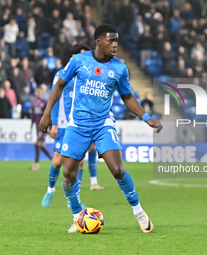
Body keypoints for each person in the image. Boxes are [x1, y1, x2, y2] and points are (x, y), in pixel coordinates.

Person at [38, 24, 162, 233]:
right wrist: (46, 113)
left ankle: (138, 211)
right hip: (77, 125)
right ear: (98, 41)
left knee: (118, 169)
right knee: (68, 173)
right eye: (111, 40)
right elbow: (59, 85)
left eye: (117, 41)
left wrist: (146, 117)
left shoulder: (119, 68)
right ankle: (78, 215)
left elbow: (127, 96)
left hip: (103, 123)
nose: (115, 45)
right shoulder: (78, 61)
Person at [41, 44, 103, 209]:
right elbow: (53, 100)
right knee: (57, 161)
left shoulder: (88, 76)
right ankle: (50, 190)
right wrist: (53, 123)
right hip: (61, 124)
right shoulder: (61, 75)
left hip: (80, 124)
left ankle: (75, 199)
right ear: (73, 57)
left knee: (79, 162)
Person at [30, 86, 53, 170]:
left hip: (43, 126)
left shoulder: (45, 102)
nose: (37, 93)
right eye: (36, 91)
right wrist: (31, 124)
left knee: (38, 143)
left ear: (42, 92)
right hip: (37, 126)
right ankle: (52, 159)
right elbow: (32, 114)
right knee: (39, 144)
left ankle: (36, 164)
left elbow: (48, 114)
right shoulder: (34, 102)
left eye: (39, 91)